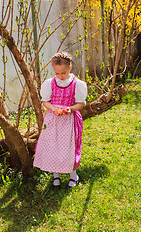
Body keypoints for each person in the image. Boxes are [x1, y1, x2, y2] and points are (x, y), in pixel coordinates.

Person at [33, 51, 87, 189]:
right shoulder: (50, 83)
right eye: (57, 73)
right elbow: (45, 101)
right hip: (53, 120)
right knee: (53, 146)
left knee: (69, 148)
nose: (60, 76)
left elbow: (80, 103)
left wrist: (70, 109)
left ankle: (73, 175)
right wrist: (53, 109)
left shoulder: (77, 84)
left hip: (69, 121)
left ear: (69, 68)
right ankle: (55, 175)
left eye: (63, 73)